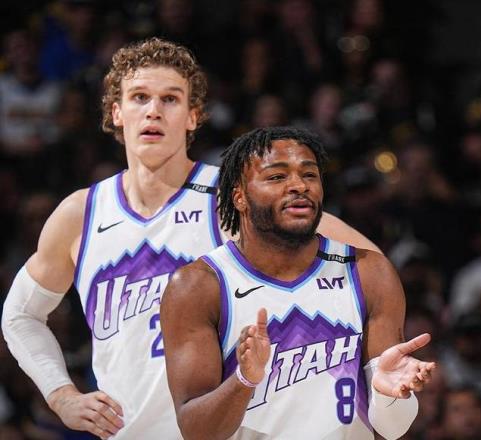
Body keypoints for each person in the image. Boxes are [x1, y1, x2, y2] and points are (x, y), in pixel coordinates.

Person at [1, 39, 380, 439]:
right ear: (117, 112)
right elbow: (20, 315)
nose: (153, 110)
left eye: (170, 99)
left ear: (192, 116)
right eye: (139, 97)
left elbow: (367, 262)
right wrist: (61, 396)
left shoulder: (231, 198)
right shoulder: (82, 214)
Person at [162, 126, 436, 440]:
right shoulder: (198, 286)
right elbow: (196, 431)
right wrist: (244, 381)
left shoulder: (368, 272)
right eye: (277, 177)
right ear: (239, 196)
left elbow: (392, 429)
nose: (299, 186)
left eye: (309, 175)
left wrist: (386, 395)